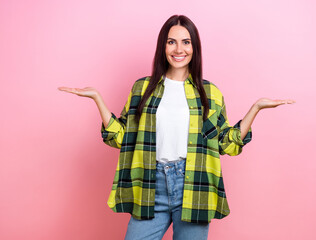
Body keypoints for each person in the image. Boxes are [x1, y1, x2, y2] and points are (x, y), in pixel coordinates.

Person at [59, 15, 295, 240]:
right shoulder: (142, 89)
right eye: (172, 42)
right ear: (163, 46)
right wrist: (97, 99)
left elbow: (226, 144)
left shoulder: (210, 93)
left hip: (194, 185)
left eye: (186, 42)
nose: (179, 49)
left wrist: (256, 108)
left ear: (195, 48)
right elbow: (121, 138)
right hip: (150, 184)